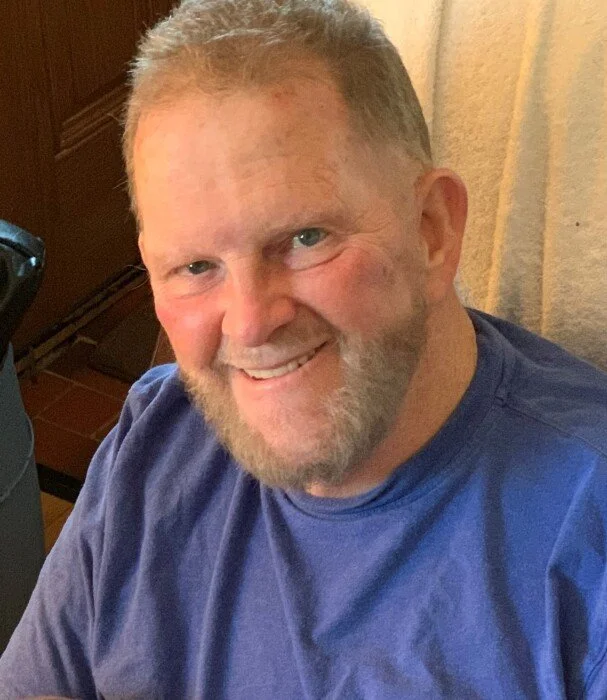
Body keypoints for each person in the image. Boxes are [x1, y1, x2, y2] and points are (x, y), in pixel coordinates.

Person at [1, 0, 607, 697]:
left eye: (304, 239)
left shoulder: (583, 544)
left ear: (432, 230)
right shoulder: (154, 444)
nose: (250, 324)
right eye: (196, 267)